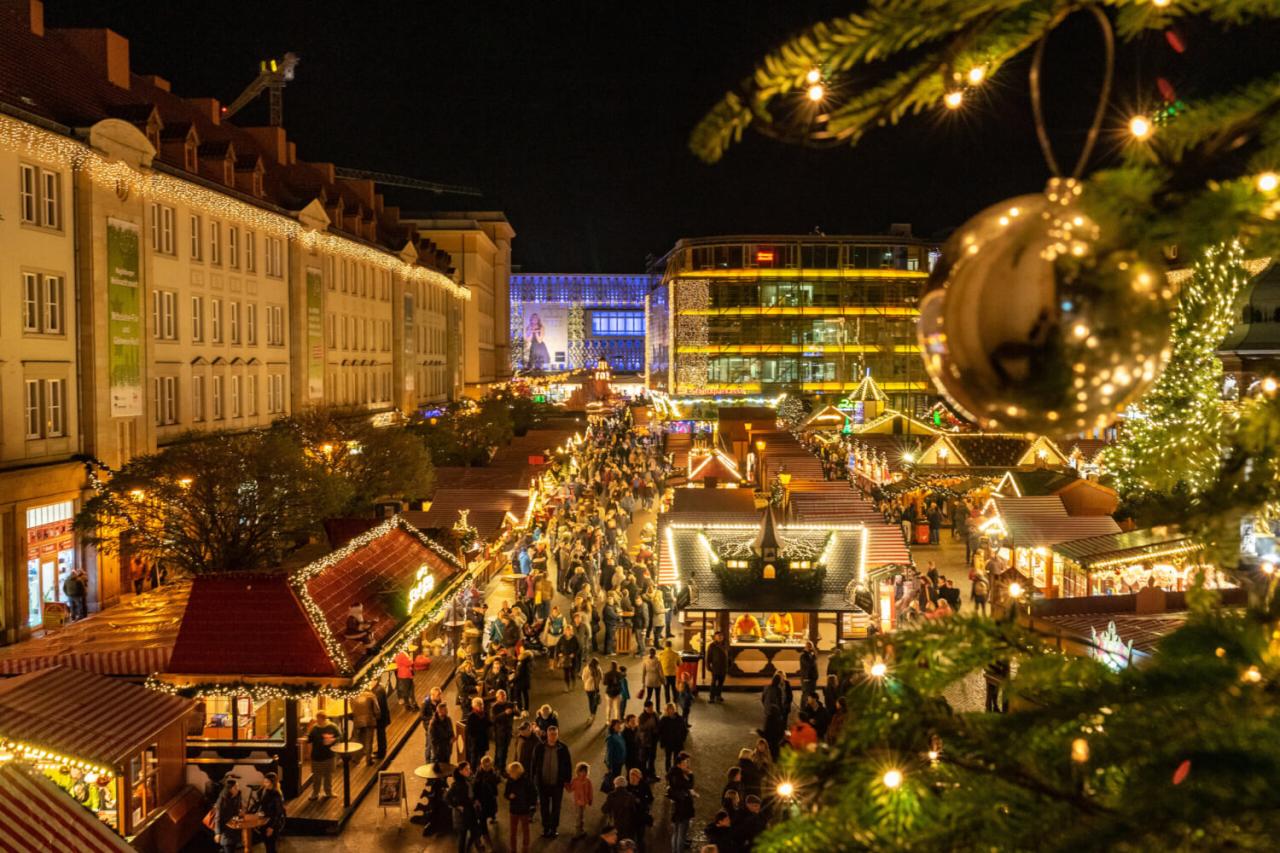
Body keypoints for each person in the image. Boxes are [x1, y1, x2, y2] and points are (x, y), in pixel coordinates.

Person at [532, 725, 573, 838]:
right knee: (544, 807)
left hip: (557, 784)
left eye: (555, 734)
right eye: (551, 734)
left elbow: (568, 765)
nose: (553, 736)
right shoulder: (539, 747)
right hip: (542, 784)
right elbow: (534, 764)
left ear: (558, 734)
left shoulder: (563, 748)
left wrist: (567, 780)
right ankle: (546, 828)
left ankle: (554, 828)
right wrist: (533, 779)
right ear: (547, 734)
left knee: (556, 807)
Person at [446, 762, 483, 853]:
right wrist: (457, 806)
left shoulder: (469, 780)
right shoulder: (457, 784)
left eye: (469, 768)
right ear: (460, 771)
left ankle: (468, 848)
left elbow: (471, 793)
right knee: (463, 836)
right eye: (466, 769)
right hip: (463, 814)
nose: (469, 770)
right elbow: (447, 797)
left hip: (471, 811)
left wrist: (475, 800)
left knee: (475, 832)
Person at [306, 711, 341, 800]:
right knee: (316, 776)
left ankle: (328, 792)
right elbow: (309, 739)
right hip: (317, 756)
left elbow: (340, 736)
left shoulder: (332, 726)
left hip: (329, 755)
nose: (317, 720)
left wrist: (332, 740)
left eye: (319, 719)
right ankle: (315, 793)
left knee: (328, 775)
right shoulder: (314, 728)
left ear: (323, 718)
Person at [667, 752, 696, 853]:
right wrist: (691, 775)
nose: (688, 764)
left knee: (676, 832)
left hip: (677, 806)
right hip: (683, 808)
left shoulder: (674, 772)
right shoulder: (679, 775)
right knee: (681, 834)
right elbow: (689, 785)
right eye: (686, 761)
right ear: (679, 763)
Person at [505, 761, 537, 853]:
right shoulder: (510, 781)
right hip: (514, 810)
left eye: (511, 772)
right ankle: (513, 849)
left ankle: (525, 848)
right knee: (513, 832)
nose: (509, 774)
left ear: (516, 772)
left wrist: (532, 805)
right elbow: (506, 793)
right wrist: (508, 796)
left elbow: (533, 794)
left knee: (525, 830)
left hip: (524, 810)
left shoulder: (526, 782)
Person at [255, 772, 285, 853]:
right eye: (264, 781)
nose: (264, 784)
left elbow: (278, 813)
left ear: (273, 783)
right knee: (267, 845)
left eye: (267, 782)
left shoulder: (276, 795)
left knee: (271, 847)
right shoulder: (264, 790)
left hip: (272, 823)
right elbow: (262, 805)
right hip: (265, 821)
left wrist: (271, 827)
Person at [602, 776, 637, 843]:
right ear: (625, 785)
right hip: (627, 824)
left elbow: (604, 809)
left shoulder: (611, 795)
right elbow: (634, 810)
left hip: (615, 824)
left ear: (615, 785)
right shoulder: (630, 796)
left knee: (615, 842)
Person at [657, 702, 688, 773]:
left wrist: (682, 739)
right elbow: (659, 731)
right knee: (668, 758)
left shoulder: (679, 718)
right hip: (668, 743)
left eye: (672, 709)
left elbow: (684, 730)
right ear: (667, 710)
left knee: (677, 759)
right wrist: (662, 741)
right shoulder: (664, 719)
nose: (671, 711)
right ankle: (668, 772)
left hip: (678, 742)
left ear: (674, 710)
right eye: (669, 709)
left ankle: (675, 772)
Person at [212, 776, 241, 853]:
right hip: (225, 831)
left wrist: (240, 813)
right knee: (228, 848)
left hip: (234, 830)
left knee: (232, 848)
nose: (238, 789)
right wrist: (217, 833)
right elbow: (217, 817)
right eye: (236, 787)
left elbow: (237, 811)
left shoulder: (237, 797)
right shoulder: (222, 800)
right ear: (230, 789)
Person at [490, 689, 516, 771]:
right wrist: (505, 713)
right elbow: (494, 719)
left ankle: (501, 766)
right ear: (497, 698)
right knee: (500, 750)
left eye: (504, 695)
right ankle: (499, 767)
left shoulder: (510, 704)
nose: (503, 697)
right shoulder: (495, 707)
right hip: (500, 732)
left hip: (508, 731)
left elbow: (517, 713)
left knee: (505, 750)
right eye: (501, 696)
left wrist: (516, 710)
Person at [351, 688, 378, 766]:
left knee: (357, 740)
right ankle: (368, 760)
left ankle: (355, 759)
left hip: (357, 721)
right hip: (369, 721)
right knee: (369, 741)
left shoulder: (353, 696)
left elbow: (352, 709)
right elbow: (377, 710)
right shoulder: (371, 696)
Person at [464, 696, 491, 770]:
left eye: (482, 704)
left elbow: (488, 724)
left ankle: (481, 771)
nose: (482, 706)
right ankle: (472, 773)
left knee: (482, 758)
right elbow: (470, 731)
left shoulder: (485, 714)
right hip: (475, 742)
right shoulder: (471, 716)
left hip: (483, 740)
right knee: (474, 759)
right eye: (480, 704)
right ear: (475, 706)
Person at [570, 761, 594, 838]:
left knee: (581, 816)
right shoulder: (575, 780)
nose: (583, 773)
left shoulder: (588, 781)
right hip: (577, 802)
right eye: (581, 771)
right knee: (578, 816)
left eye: (585, 771)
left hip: (584, 802)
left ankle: (581, 830)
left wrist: (590, 800)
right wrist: (565, 784)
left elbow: (590, 791)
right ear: (578, 772)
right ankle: (577, 832)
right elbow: (570, 789)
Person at [706, 632, 729, 704]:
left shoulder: (726, 645)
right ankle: (711, 697)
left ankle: (718, 695)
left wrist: (730, 665)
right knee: (713, 683)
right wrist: (708, 666)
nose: (720, 637)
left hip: (724, 667)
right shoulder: (712, 646)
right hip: (715, 667)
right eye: (718, 636)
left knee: (721, 683)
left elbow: (730, 655)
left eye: (721, 636)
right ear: (715, 637)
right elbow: (708, 657)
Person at [558, 627, 582, 691]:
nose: (568, 632)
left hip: (573, 659)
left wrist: (574, 654)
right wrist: (559, 653)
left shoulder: (575, 638)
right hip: (565, 658)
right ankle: (567, 686)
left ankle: (573, 682)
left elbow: (579, 648)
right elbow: (558, 646)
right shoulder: (562, 638)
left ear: (571, 631)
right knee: (566, 673)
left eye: (569, 630)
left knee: (572, 672)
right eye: (566, 630)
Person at [604, 720, 627, 791]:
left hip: (619, 761)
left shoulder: (618, 735)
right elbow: (609, 753)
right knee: (615, 779)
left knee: (617, 777)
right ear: (613, 727)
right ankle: (614, 792)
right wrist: (609, 765)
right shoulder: (611, 738)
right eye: (618, 725)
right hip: (615, 763)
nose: (620, 726)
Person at [372, 680, 391, 761]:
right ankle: (381, 751)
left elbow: (378, 705)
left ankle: (381, 753)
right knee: (381, 735)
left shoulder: (378, 691)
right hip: (383, 716)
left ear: (375, 681)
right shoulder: (380, 688)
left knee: (381, 735)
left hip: (381, 717)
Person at [658, 640, 681, 705]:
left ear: (665, 646)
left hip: (665, 674)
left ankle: (667, 702)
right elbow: (680, 663)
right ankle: (675, 700)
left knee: (666, 689)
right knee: (674, 688)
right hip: (673, 674)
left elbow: (658, 663)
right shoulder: (675, 654)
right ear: (671, 645)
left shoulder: (661, 654)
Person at [582, 657, 603, 724]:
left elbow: (583, 678)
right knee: (595, 701)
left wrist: (587, 681)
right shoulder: (598, 669)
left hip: (588, 687)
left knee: (590, 701)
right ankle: (593, 714)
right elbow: (601, 677)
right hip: (595, 688)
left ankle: (591, 714)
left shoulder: (586, 668)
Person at [798, 640, 819, 705]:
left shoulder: (810, 655)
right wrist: (813, 657)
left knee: (811, 694)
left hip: (812, 678)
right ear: (806, 647)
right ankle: (803, 709)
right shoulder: (803, 656)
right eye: (809, 647)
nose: (810, 648)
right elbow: (809, 664)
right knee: (806, 694)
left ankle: (810, 707)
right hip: (807, 678)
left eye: (811, 647)